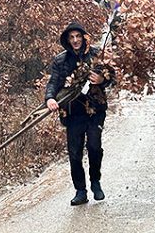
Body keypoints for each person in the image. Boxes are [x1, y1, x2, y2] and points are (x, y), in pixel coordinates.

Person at [45, 21, 115, 206]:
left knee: (94, 147)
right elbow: (53, 82)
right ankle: (80, 191)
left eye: (78, 36)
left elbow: (112, 77)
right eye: (71, 37)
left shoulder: (96, 55)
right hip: (73, 112)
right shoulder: (61, 60)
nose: (75, 40)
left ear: (84, 37)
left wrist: (101, 80)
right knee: (75, 153)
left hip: (95, 110)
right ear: (67, 40)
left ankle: (95, 182)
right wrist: (50, 98)